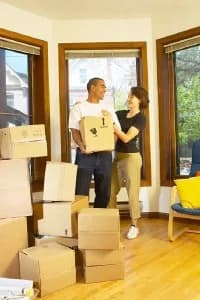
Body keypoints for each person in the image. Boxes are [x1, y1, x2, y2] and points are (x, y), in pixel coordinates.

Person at [69, 77, 120, 208]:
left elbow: (116, 131)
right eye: (102, 86)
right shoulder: (78, 108)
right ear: (92, 87)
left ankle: (97, 219)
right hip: (85, 155)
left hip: (105, 155)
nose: (105, 89)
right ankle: (81, 223)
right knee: (81, 192)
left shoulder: (108, 109)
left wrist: (111, 145)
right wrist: (82, 146)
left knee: (104, 192)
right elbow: (75, 131)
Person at [109, 86, 149, 239]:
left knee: (132, 191)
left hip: (131, 157)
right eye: (128, 96)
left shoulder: (140, 118)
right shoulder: (120, 114)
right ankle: (112, 223)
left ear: (140, 99)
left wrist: (115, 129)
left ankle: (134, 226)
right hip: (117, 156)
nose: (128, 99)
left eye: (131, 96)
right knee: (110, 190)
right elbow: (107, 118)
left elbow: (126, 138)